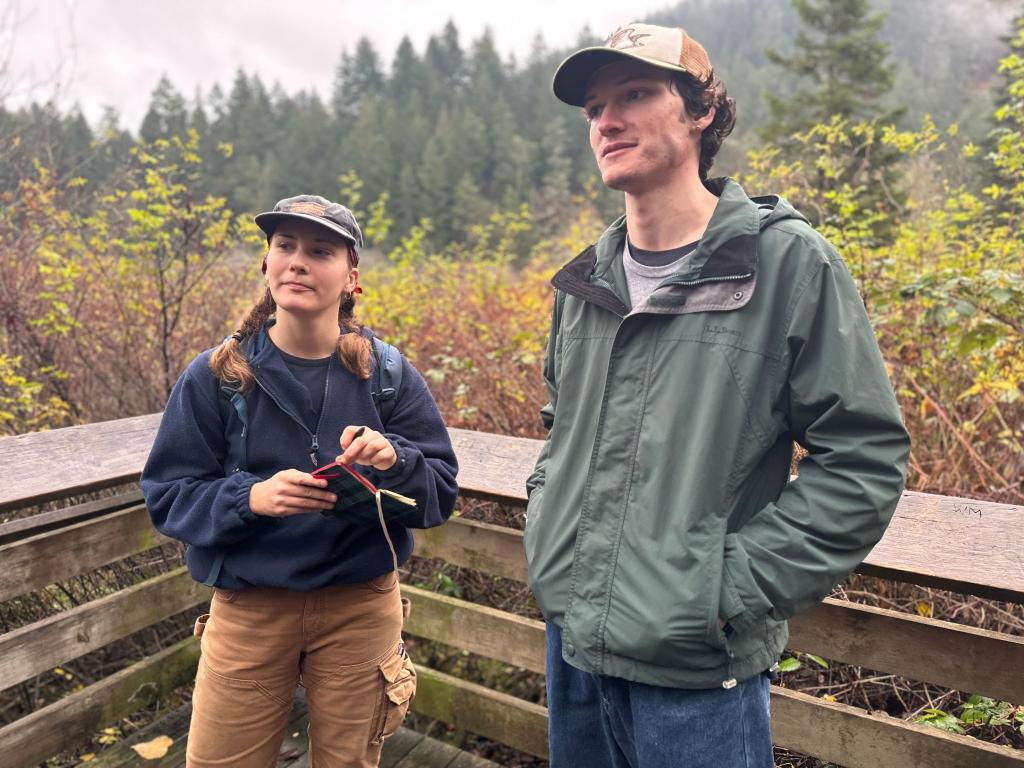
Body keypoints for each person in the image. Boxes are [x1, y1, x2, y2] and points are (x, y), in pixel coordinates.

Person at [524, 22, 910, 768]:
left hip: (697, 672)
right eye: (595, 107)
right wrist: (551, 529)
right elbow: (560, 429)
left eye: (635, 94)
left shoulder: (786, 262)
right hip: (574, 643)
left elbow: (863, 457)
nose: (608, 120)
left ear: (702, 111)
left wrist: (729, 587)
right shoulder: (584, 282)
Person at [141, 195, 458, 767]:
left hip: (360, 608)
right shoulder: (217, 376)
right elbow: (167, 497)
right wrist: (251, 497)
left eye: (319, 250)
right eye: (284, 246)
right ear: (266, 264)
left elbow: (439, 493)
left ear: (351, 277)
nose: (297, 262)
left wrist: (395, 460)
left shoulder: (387, 375)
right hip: (248, 609)